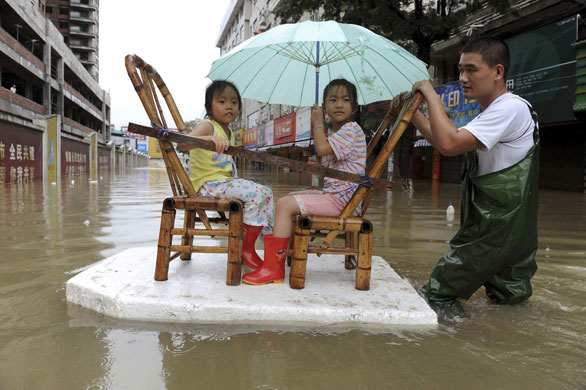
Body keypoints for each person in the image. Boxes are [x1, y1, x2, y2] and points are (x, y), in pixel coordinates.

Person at [396, 37, 539, 316]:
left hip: (495, 231)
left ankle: (464, 341)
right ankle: (498, 339)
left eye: (471, 70)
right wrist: (411, 113)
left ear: (498, 72)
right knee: (509, 304)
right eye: (461, 70)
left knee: (437, 295)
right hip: (508, 229)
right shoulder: (494, 112)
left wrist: (431, 94)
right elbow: (444, 142)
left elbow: (449, 144)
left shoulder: (510, 108)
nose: (463, 78)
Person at [243, 79, 367, 285]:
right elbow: (329, 164)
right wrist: (318, 164)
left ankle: (273, 268)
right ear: (325, 106)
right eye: (333, 100)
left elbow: (323, 149)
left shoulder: (351, 129)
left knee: (283, 205)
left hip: (343, 202)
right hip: (338, 197)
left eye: (345, 100)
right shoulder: (338, 133)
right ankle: (285, 253)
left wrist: (318, 123)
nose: (339, 104)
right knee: (290, 197)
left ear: (354, 108)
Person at [178, 80, 274, 270]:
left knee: (266, 192)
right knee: (260, 194)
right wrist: (208, 138)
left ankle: (270, 244)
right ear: (209, 107)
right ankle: (245, 247)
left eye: (234, 102)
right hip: (207, 185)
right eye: (222, 102)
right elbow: (182, 144)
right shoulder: (208, 125)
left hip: (221, 183)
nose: (229, 106)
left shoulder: (228, 131)